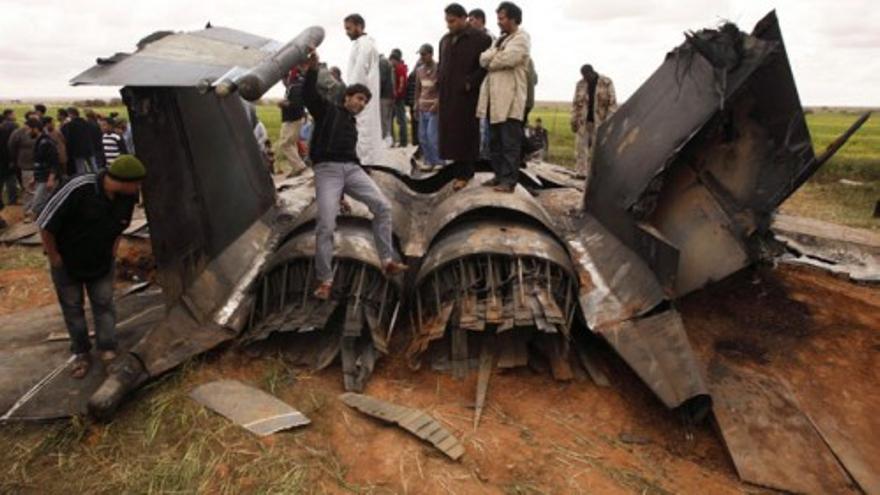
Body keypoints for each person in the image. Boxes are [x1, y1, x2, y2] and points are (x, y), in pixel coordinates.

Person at [302, 48, 408, 300]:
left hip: (351, 170)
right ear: (347, 97)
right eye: (358, 98)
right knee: (326, 225)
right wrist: (313, 69)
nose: (361, 104)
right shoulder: (327, 111)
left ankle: (386, 260)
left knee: (382, 207)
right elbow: (308, 95)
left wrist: (361, 172)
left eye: (364, 102)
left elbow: (348, 155)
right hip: (327, 172)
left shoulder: (351, 124)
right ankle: (325, 279)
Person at [37, 155, 146, 378]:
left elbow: (120, 225)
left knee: (104, 304)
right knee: (73, 308)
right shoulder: (78, 187)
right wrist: (54, 256)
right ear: (123, 181)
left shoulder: (127, 196)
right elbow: (45, 223)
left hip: (101, 261)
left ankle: (107, 348)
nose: (138, 188)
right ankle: (81, 353)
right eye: (136, 183)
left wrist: (113, 250)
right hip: (68, 262)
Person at [477, 2, 531, 193]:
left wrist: (492, 59)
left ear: (513, 19)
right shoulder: (500, 40)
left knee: (509, 143)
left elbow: (507, 59)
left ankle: (509, 181)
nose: (499, 22)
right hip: (494, 98)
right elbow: (483, 58)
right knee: (495, 142)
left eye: (502, 18)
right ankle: (499, 175)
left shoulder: (521, 38)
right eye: (498, 18)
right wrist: (493, 56)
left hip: (510, 99)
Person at [438, 3, 492, 190]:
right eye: (447, 21)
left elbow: (485, 66)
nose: (449, 25)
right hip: (447, 94)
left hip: (467, 95)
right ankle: (456, 171)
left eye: (452, 21)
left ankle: (465, 174)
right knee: (450, 134)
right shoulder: (445, 40)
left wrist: (471, 83)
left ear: (463, 18)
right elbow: (442, 66)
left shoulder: (481, 39)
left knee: (465, 133)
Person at [344, 14, 384, 165]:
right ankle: (367, 163)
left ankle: (365, 166)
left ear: (359, 26)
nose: (346, 32)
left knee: (363, 133)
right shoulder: (361, 44)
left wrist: (350, 96)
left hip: (360, 98)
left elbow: (359, 74)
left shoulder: (365, 45)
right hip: (363, 97)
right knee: (365, 132)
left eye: (349, 28)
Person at [572, 64, 617, 182]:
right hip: (583, 121)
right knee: (581, 148)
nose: (585, 78)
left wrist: (608, 122)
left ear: (592, 72)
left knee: (599, 150)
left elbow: (612, 104)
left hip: (600, 122)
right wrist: (574, 120)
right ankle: (581, 173)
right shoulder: (580, 84)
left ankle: (597, 175)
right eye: (583, 76)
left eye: (586, 75)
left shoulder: (606, 82)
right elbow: (575, 104)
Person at [469, 8, 495, 161]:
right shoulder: (471, 38)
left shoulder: (488, 38)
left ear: (480, 20)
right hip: (475, 86)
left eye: (472, 20)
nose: (470, 23)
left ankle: (485, 155)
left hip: (486, 84)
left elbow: (486, 63)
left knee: (485, 123)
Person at [24, 118, 61, 221]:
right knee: (42, 200)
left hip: (47, 178)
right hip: (41, 177)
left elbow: (54, 162)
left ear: (35, 129)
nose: (26, 133)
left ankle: (35, 221)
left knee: (38, 202)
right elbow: (39, 163)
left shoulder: (47, 142)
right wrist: (34, 178)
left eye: (28, 129)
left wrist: (51, 179)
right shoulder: (39, 141)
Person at [276, 64, 309, 176]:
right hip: (293, 118)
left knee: (285, 144)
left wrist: (283, 104)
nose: (283, 82)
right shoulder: (297, 85)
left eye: (283, 79)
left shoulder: (295, 87)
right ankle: (296, 167)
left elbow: (296, 104)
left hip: (293, 119)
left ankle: (299, 166)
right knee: (291, 143)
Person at [414, 43, 442, 169]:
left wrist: (438, 102)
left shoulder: (439, 69)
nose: (422, 57)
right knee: (423, 137)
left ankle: (438, 162)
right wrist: (416, 104)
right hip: (422, 106)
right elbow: (417, 88)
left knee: (432, 136)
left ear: (431, 54)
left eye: (424, 54)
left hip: (434, 108)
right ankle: (429, 161)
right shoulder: (419, 70)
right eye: (420, 55)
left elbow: (443, 89)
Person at [8, 112, 40, 203]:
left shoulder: (42, 131)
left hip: (40, 165)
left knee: (39, 188)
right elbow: (11, 146)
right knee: (28, 188)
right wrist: (16, 158)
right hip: (26, 164)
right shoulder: (18, 132)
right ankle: (29, 209)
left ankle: (37, 208)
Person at [62, 107, 99, 175]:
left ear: (71, 114)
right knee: (94, 167)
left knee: (81, 170)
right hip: (89, 149)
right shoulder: (87, 123)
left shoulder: (70, 125)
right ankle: (97, 181)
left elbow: (67, 138)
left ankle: (84, 183)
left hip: (78, 151)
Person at [389, 49, 409, 147]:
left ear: (395, 59)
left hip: (399, 99)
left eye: (391, 60)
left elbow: (402, 83)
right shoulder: (397, 68)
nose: (390, 62)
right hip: (396, 98)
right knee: (395, 120)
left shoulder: (399, 68)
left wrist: (397, 95)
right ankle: (396, 141)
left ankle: (403, 142)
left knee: (401, 121)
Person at [0, 109, 19, 209]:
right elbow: (10, 145)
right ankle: (12, 200)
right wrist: (12, 159)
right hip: (7, 159)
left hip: (3, 159)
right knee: (10, 179)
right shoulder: (12, 126)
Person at [405, 61, 421, 149]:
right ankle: (418, 141)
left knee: (414, 123)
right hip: (418, 102)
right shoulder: (420, 74)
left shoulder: (411, 75)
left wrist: (407, 101)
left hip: (412, 102)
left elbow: (407, 89)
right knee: (419, 123)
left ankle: (415, 140)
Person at [379, 53, 394, 144]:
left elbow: (382, 79)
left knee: (383, 118)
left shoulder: (381, 62)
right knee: (388, 119)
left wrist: (377, 93)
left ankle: (385, 139)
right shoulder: (388, 62)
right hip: (390, 95)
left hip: (384, 95)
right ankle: (389, 138)